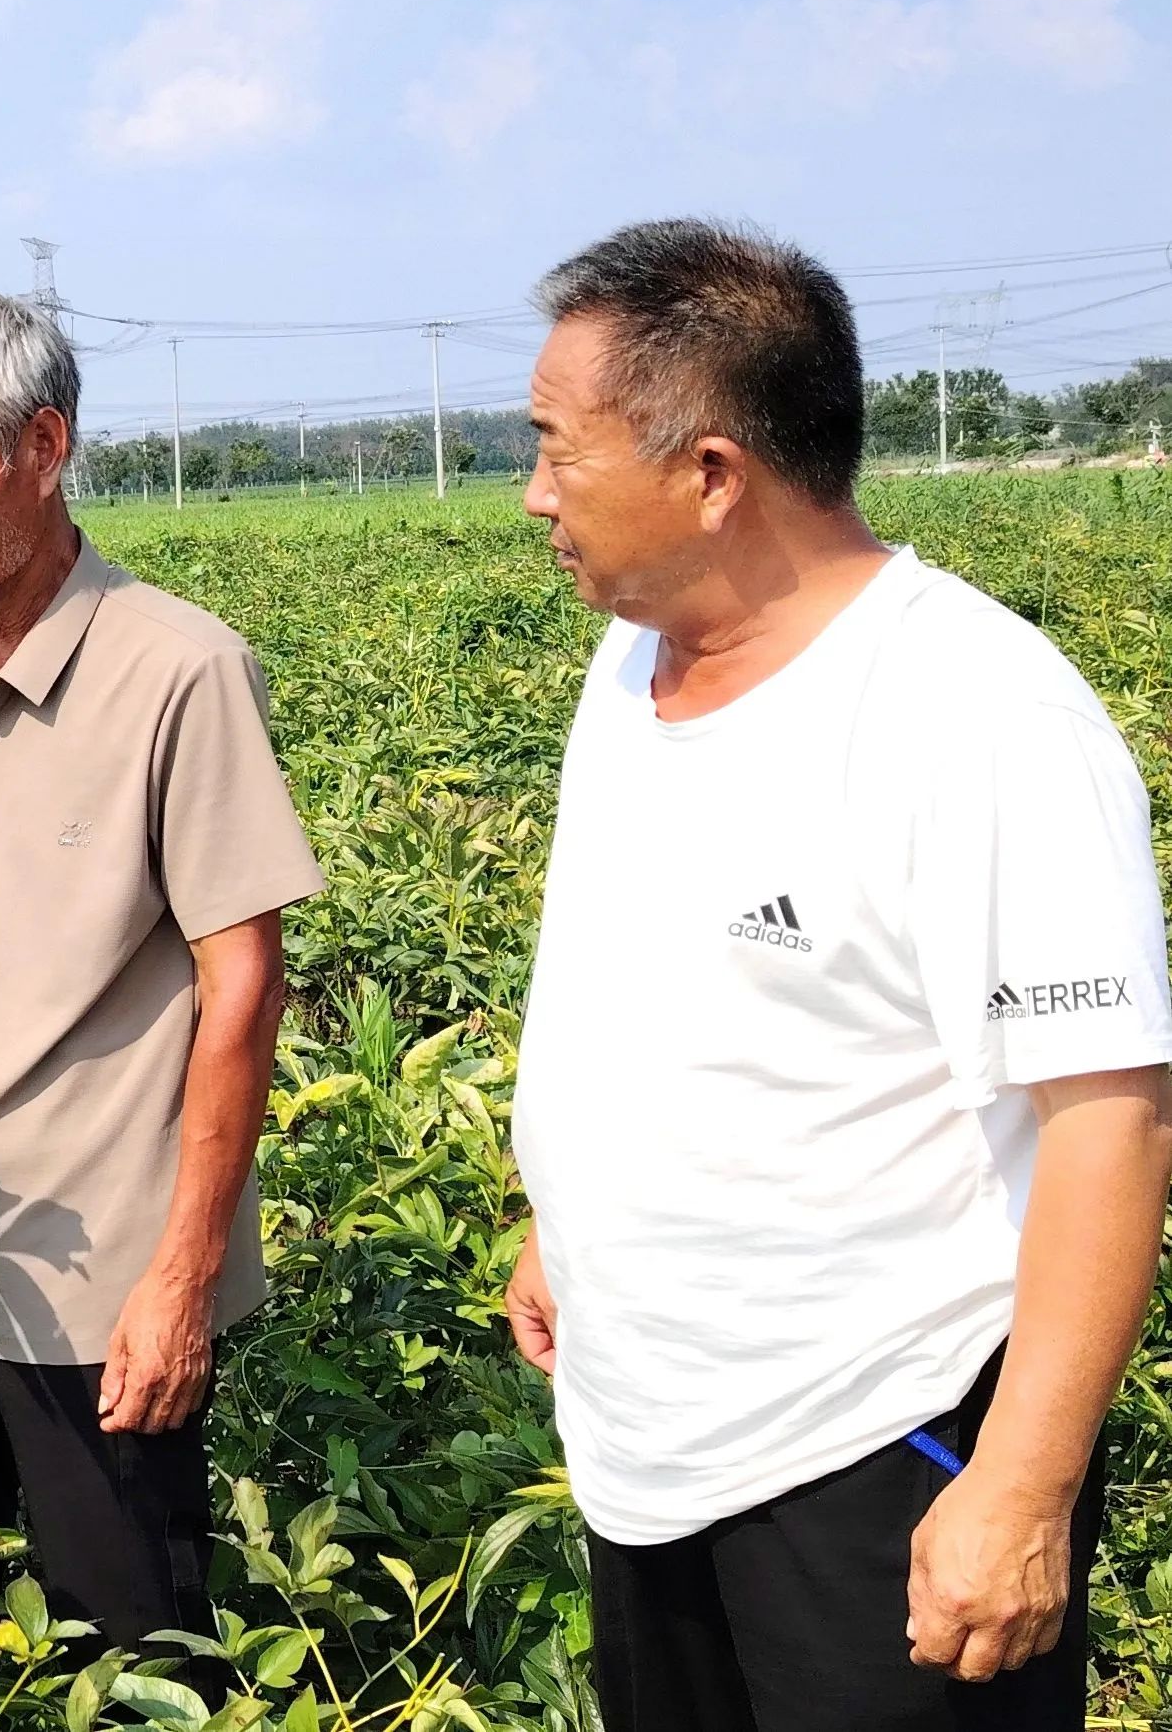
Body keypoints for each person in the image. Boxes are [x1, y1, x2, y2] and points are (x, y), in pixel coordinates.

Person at [501, 219, 1172, 1730]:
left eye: (555, 447)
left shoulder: (972, 712)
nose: (533, 492)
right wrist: (574, 1221)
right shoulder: (630, 664)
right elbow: (653, 990)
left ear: (712, 473)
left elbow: (1107, 1120)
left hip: (874, 1448)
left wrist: (1019, 1482)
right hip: (648, 1435)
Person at [0, 284, 324, 1657]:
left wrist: (182, 1277)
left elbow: (240, 983)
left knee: (126, 1644)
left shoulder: (178, 670)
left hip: (99, 1276)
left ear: (41, 444)